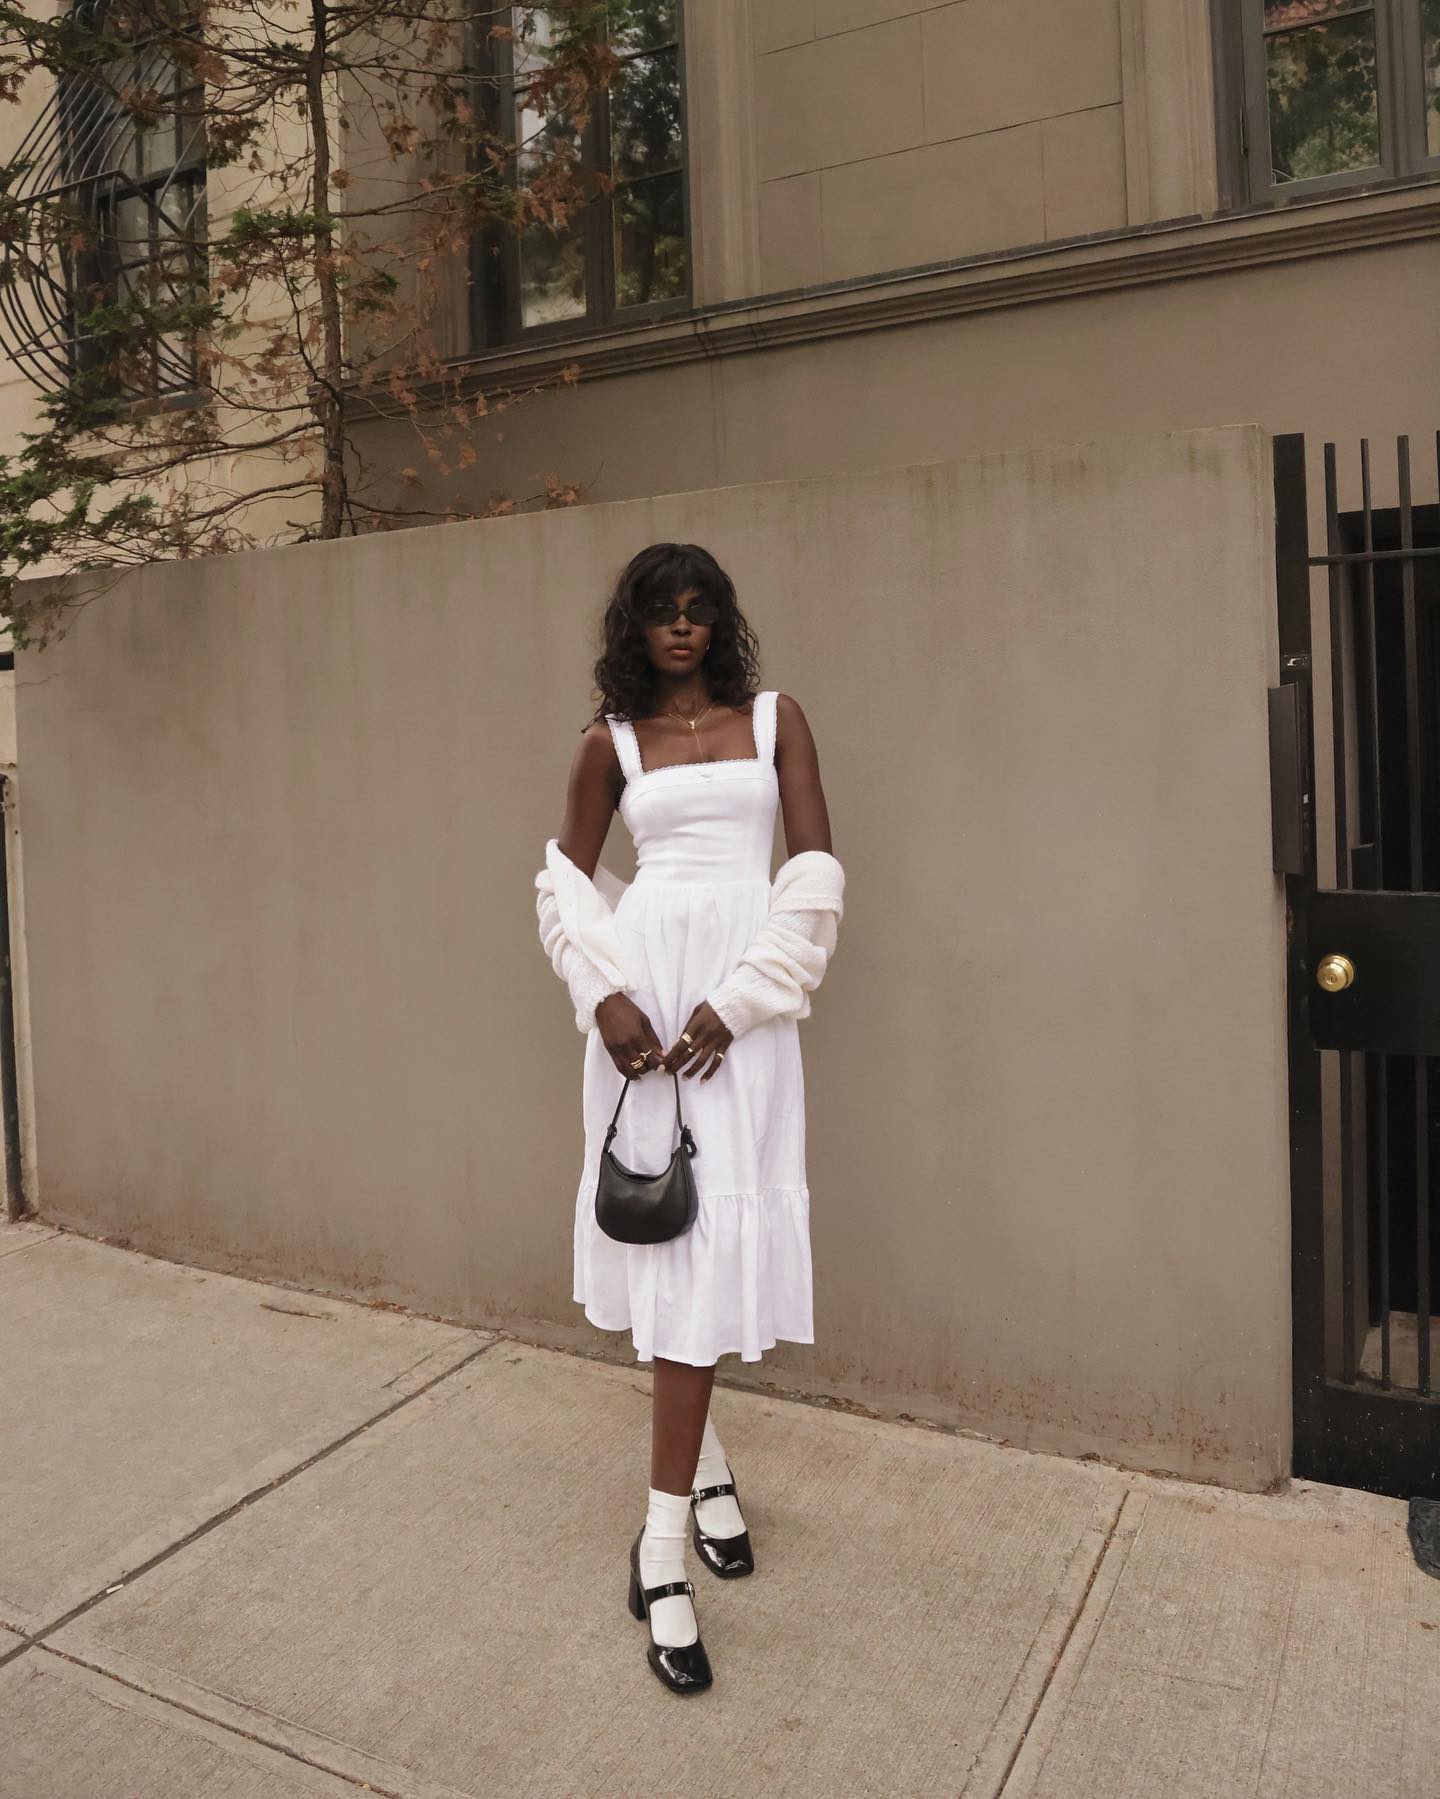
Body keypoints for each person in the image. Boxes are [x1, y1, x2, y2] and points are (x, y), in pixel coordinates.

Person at [536, 542, 845, 1695]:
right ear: (635, 625)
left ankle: (688, 1490)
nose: (682, 627)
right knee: (670, 1246)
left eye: (699, 609)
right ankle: (663, 1547)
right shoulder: (607, 744)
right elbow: (563, 892)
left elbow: (812, 872)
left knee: (712, 1251)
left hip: (743, 1017)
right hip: (645, 1019)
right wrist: (607, 998)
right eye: (662, 613)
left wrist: (744, 997)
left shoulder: (777, 720)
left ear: (720, 621)